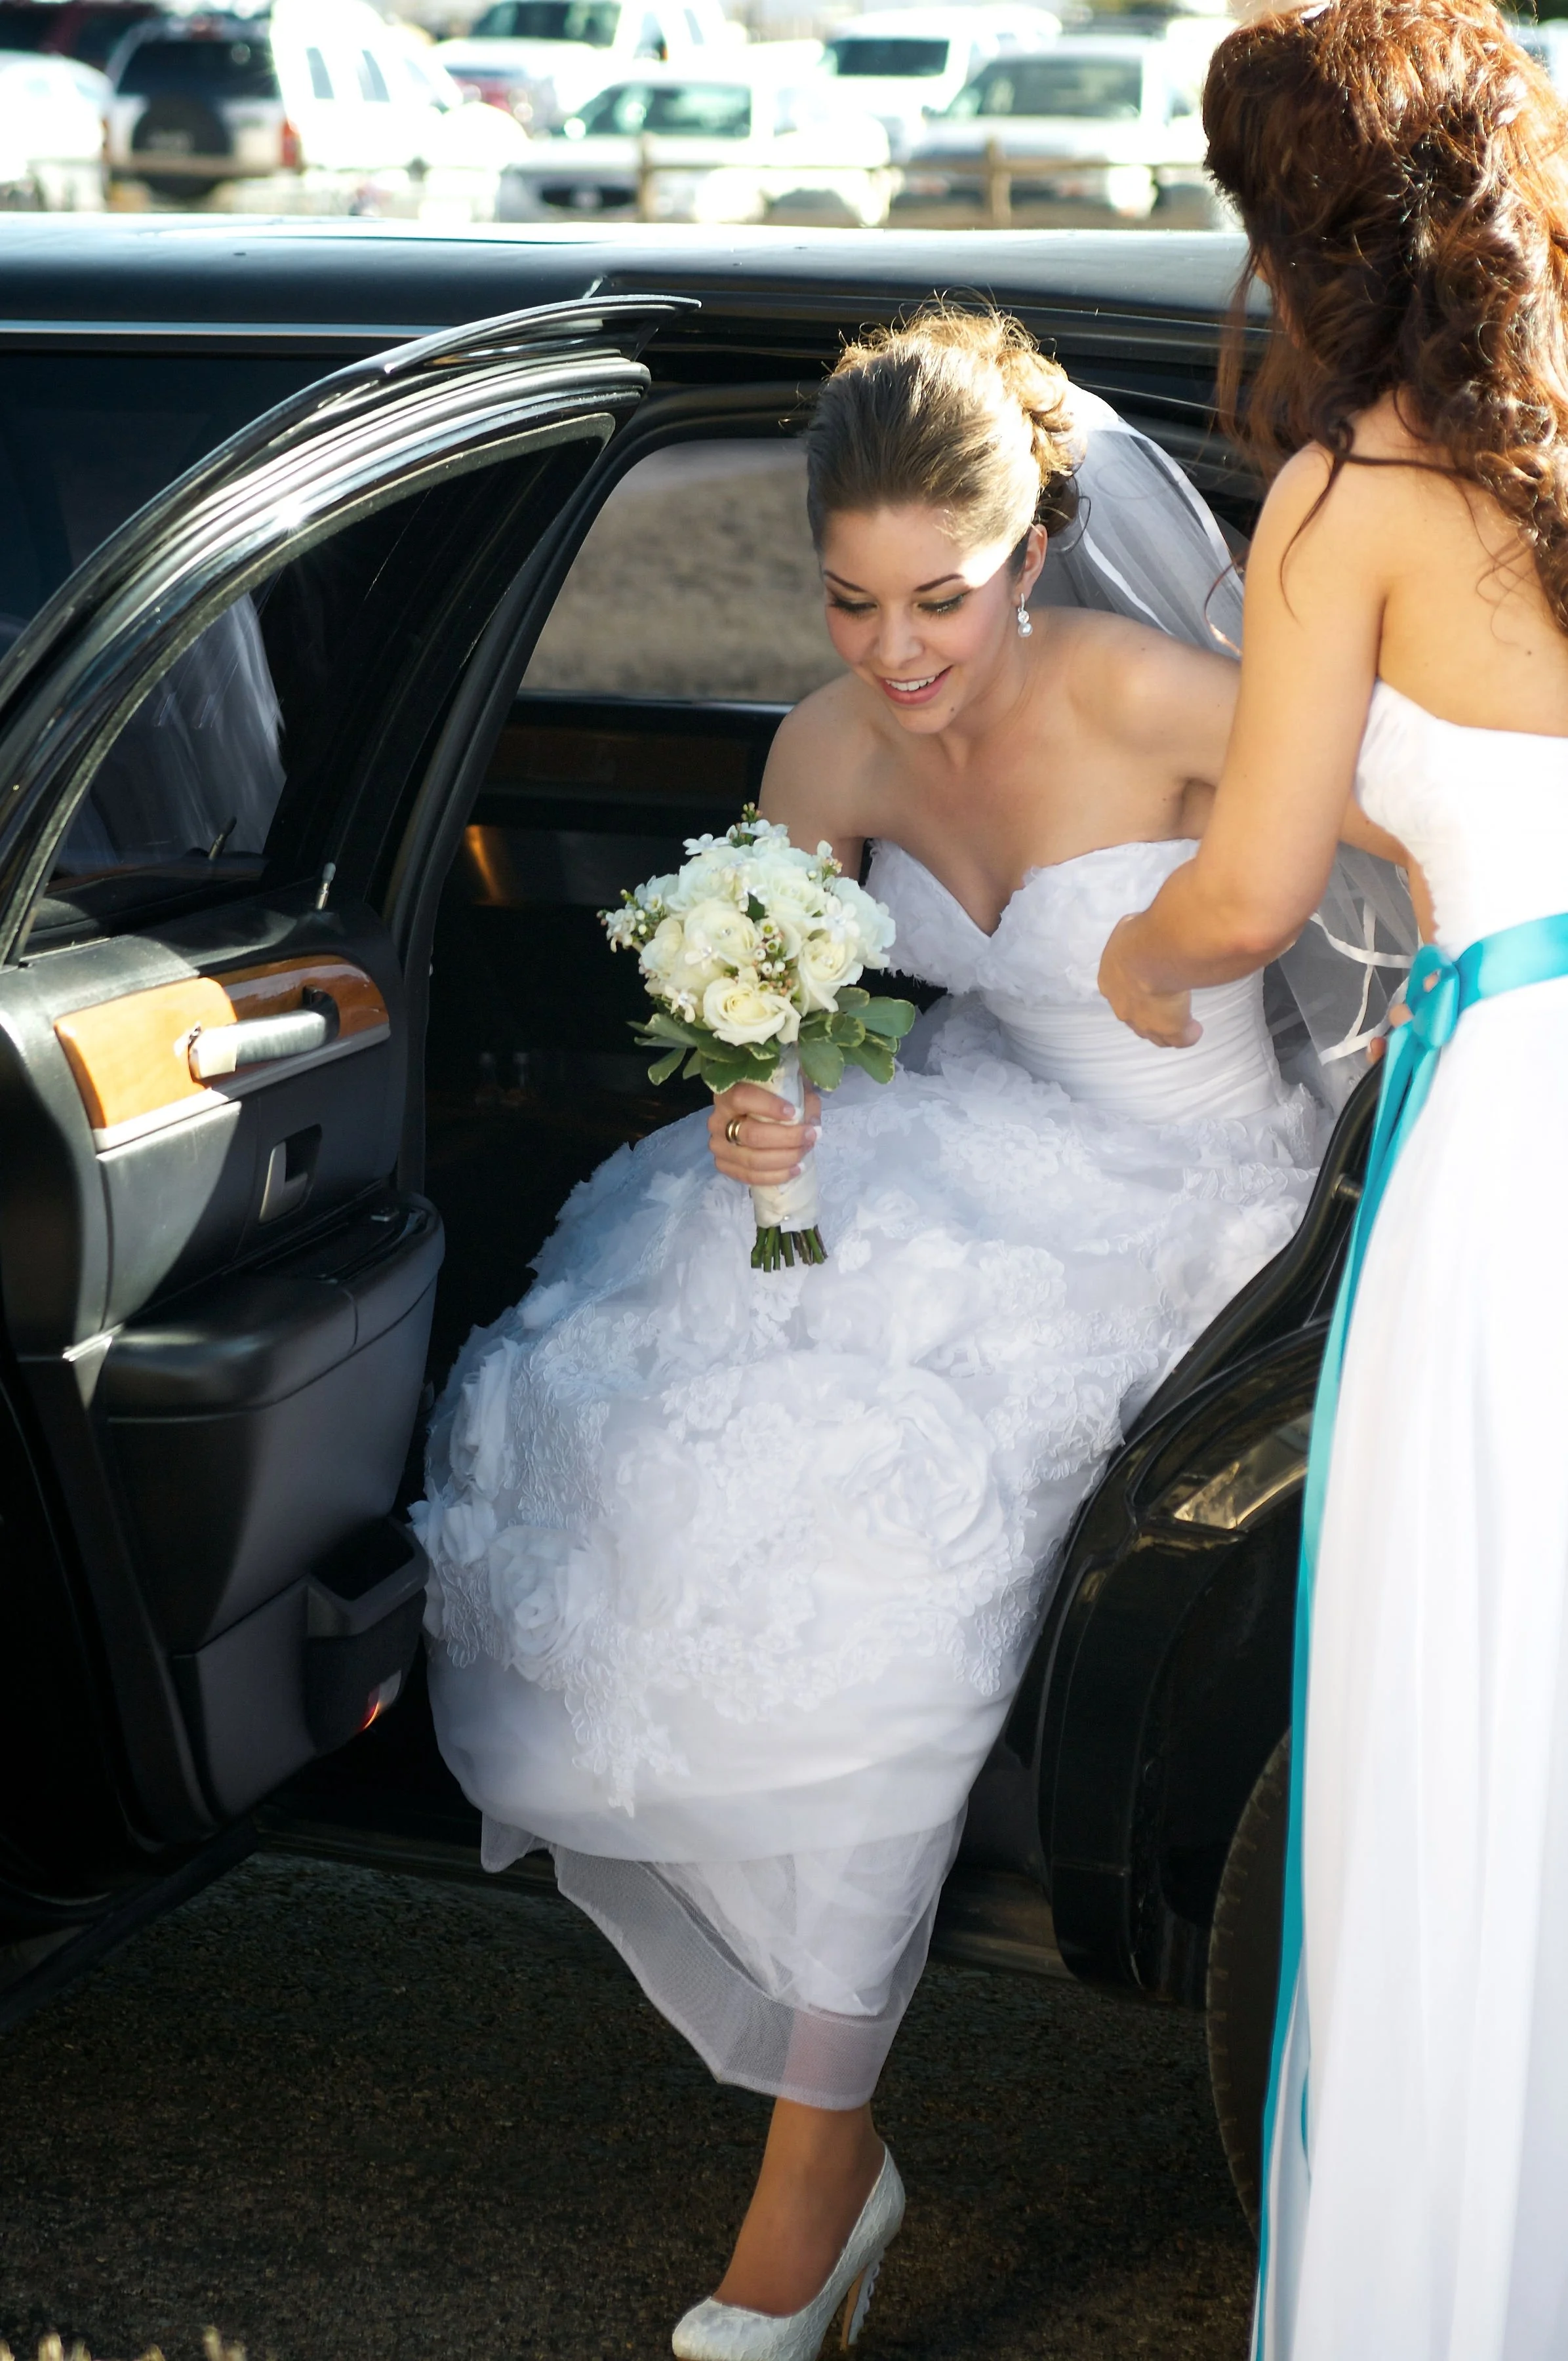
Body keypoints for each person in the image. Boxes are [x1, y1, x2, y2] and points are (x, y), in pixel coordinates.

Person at [417, 312, 1332, 2360]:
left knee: (880, 1552)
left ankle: (813, 2184)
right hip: (964, 1145)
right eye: (847, 598)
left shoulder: (1157, 688)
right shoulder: (820, 752)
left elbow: (1417, 848)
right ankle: (820, 2136)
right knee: (678, 1446)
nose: (894, 650)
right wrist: (765, 1105)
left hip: (1193, 1195)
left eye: (941, 595)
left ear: (1031, 551)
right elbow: (794, 1025)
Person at [1096, 3, 1568, 2353]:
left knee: (1473, 1720)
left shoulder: (1341, 506)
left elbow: (1248, 892)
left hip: (1518, 1171)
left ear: (1291, 232)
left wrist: (1126, 946)